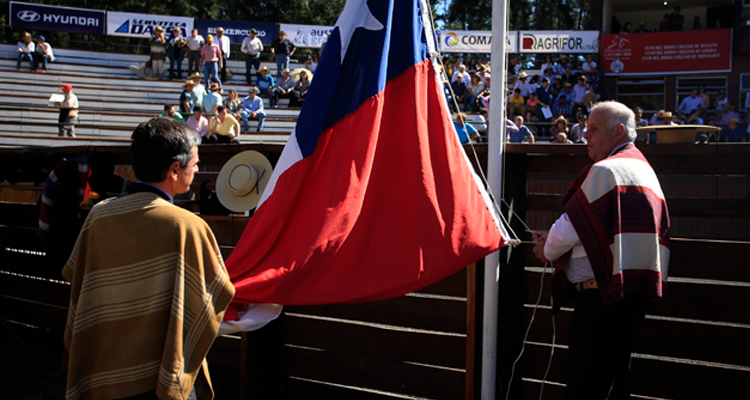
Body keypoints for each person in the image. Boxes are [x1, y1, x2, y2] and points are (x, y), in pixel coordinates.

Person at [62, 117, 235, 400]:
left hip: (103, 365)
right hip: (155, 380)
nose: (197, 169)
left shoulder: (99, 215)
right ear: (175, 171)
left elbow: (80, 290)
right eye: (195, 164)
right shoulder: (187, 226)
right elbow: (212, 296)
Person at [533, 101, 670, 400]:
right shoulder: (644, 170)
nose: (585, 135)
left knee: (587, 385)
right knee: (613, 381)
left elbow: (568, 228)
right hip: (632, 296)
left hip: (600, 299)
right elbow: (602, 229)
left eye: (594, 129)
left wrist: (548, 248)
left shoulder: (606, 169)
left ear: (619, 131)